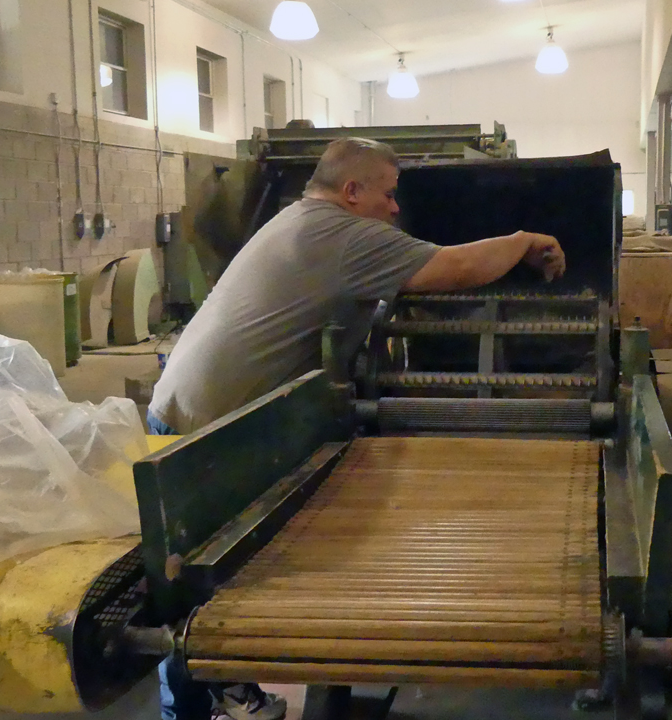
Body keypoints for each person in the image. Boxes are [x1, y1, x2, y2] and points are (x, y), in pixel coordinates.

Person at [147, 137, 566, 720]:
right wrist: (524, 240)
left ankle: (226, 681)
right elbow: (455, 268)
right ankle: (188, 708)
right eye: (388, 195)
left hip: (192, 407)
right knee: (195, 580)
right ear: (352, 192)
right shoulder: (341, 235)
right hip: (204, 427)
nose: (396, 208)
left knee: (212, 568)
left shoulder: (298, 219)